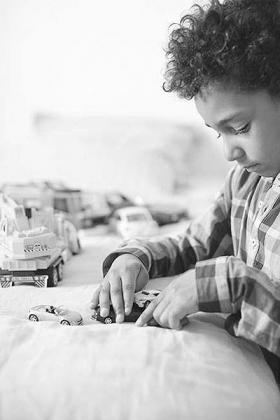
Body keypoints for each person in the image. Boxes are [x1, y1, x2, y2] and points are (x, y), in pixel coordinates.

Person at [91, 0, 280, 382]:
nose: (229, 152)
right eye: (217, 133)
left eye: (240, 127)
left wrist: (234, 283)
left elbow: (229, 278)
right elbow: (194, 246)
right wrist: (136, 257)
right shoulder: (246, 182)